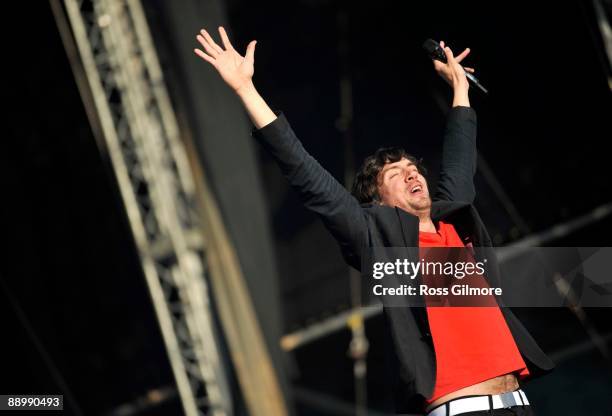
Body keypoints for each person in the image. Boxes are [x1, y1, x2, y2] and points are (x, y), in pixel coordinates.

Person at [194, 26, 554, 415]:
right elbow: (306, 174)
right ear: (377, 201)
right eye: (395, 175)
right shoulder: (377, 237)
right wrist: (246, 90)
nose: (412, 174)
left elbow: (459, 162)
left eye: (413, 168)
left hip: (518, 402)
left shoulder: (453, 219)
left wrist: (460, 88)